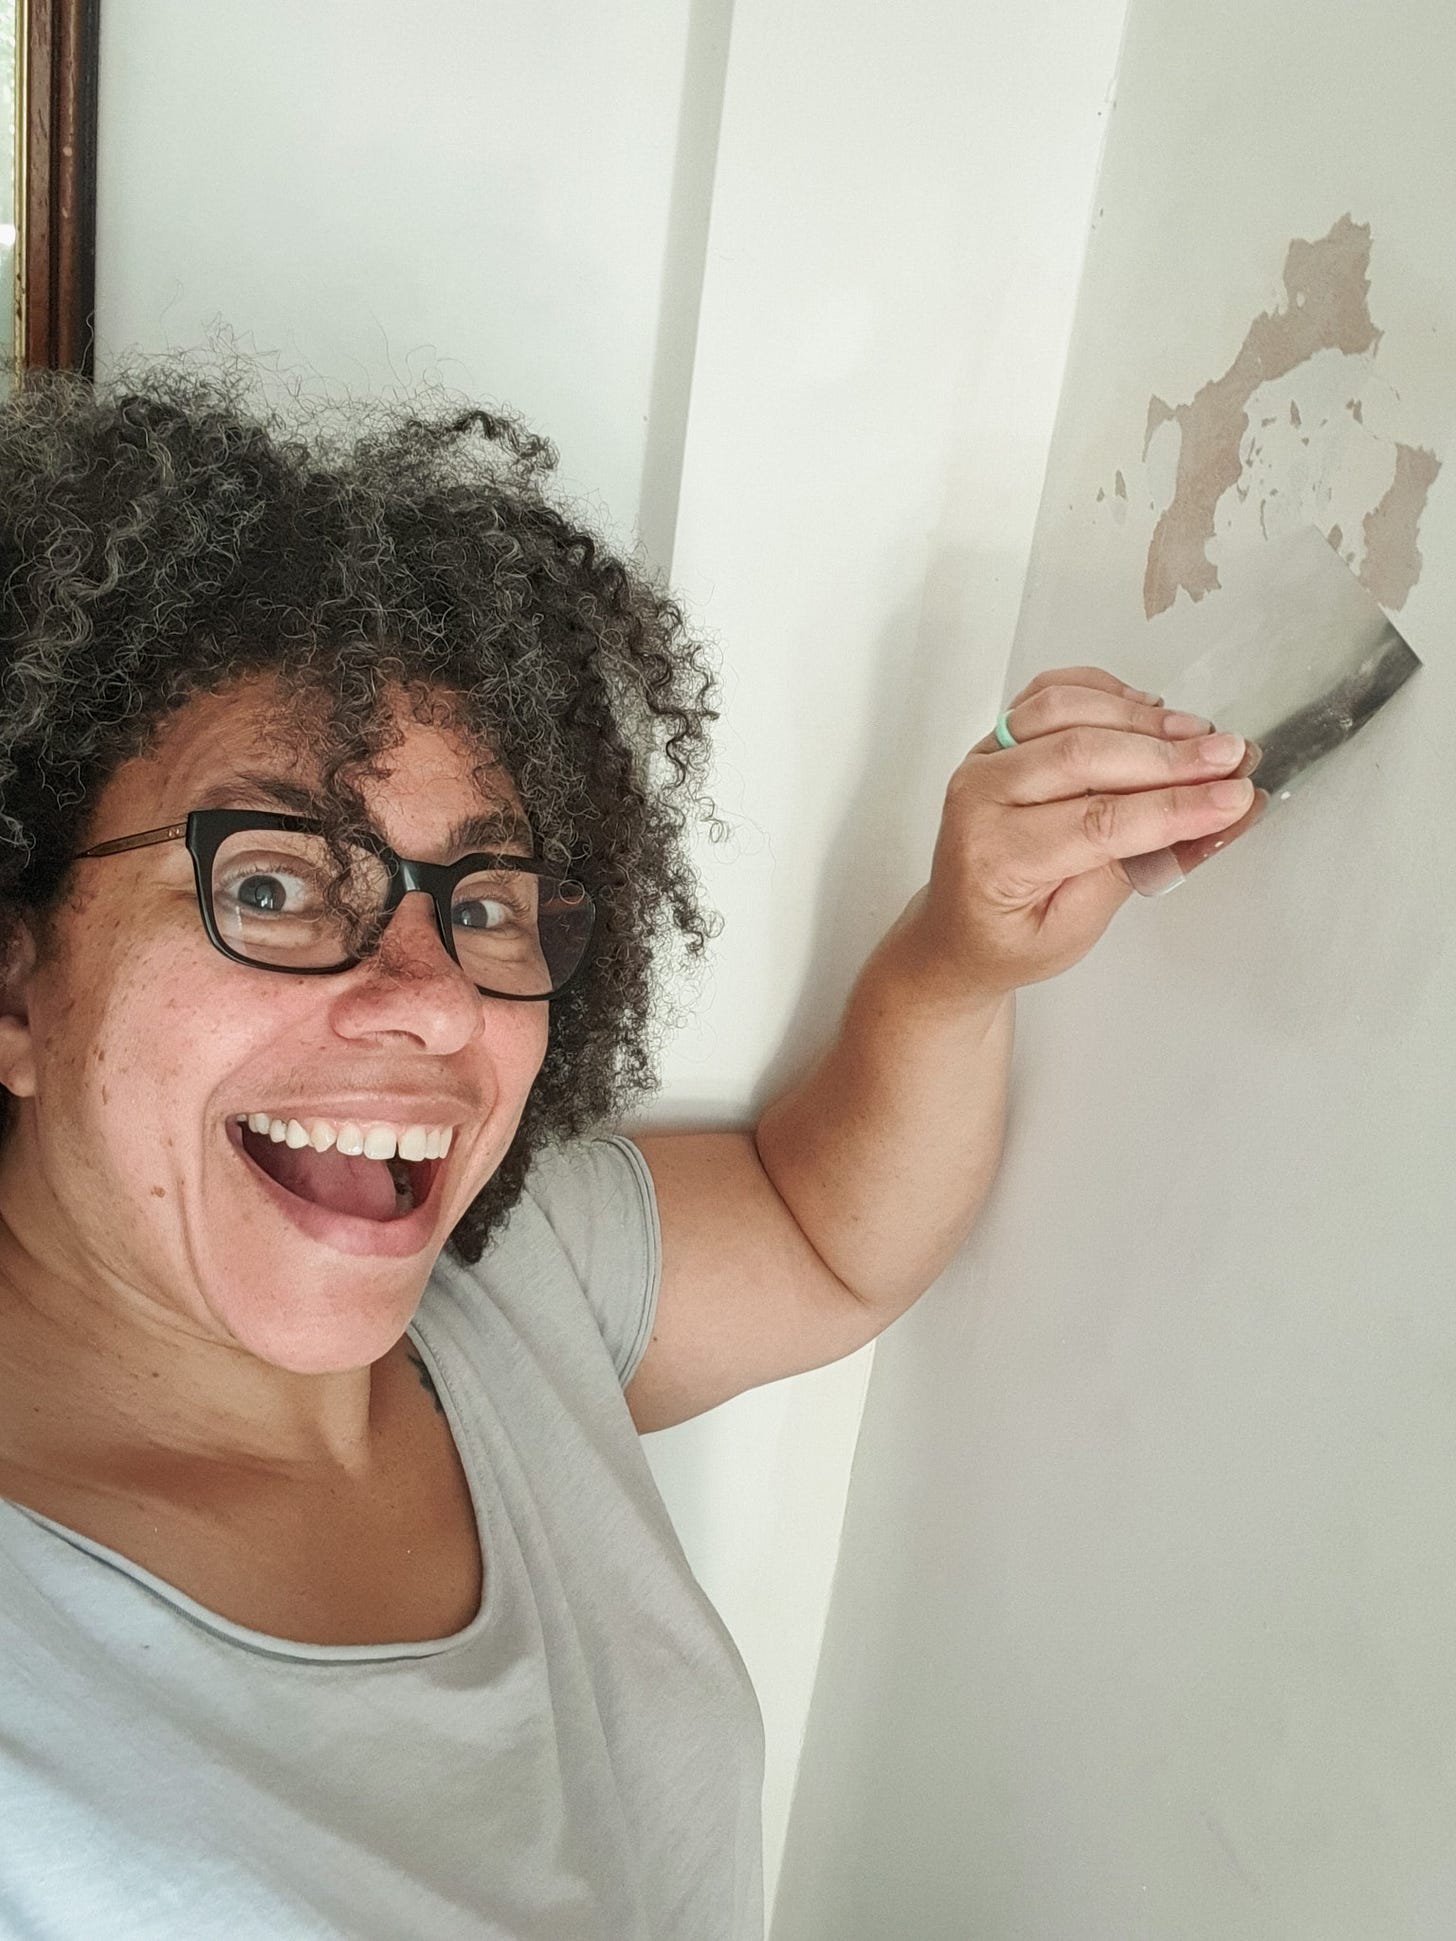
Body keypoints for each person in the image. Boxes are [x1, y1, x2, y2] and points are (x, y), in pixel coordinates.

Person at [0, 365, 1264, 1939]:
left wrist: (962, 948)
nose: (426, 999)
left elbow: (823, 1233)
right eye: (270, 885)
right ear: (20, 980)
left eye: (485, 903)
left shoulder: (501, 1278)